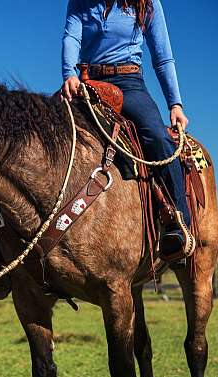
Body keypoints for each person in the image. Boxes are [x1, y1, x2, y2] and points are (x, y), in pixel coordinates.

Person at [61, 0, 193, 262]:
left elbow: (162, 56)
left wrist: (175, 103)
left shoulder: (147, 4)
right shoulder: (80, 2)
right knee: (45, 133)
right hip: (86, 83)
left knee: (157, 137)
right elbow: (71, 37)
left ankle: (178, 222)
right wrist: (68, 73)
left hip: (128, 82)